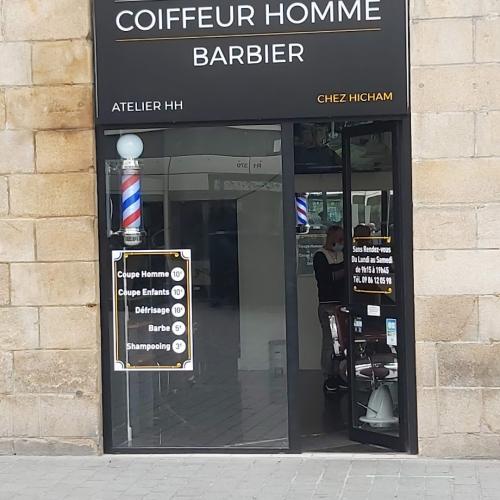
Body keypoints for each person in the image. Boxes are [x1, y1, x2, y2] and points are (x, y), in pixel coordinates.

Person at [313, 225, 348, 394]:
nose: (341, 242)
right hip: (328, 305)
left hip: (343, 305)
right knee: (330, 342)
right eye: (339, 239)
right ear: (331, 237)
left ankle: (340, 373)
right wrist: (346, 269)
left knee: (342, 342)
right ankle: (329, 376)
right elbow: (327, 278)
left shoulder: (342, 255)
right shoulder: (320, 256)